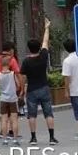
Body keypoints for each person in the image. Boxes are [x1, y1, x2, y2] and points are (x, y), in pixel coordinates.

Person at [20, 17, 58, 145]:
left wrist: (22, 90)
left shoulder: (26, 61)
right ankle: (51, 138)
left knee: (32, 115)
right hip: (44, 88)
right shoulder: (43, 56)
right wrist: (47, 27)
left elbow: (22, 77)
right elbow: (45, 41)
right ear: (38, 48)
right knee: (48, 113)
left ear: (29, 48)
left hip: (31, 90)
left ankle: (33, 138)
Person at [0, 41, 20, 138]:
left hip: (1, 90)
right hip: (11, 90)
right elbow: (17, 74)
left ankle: (2, 132)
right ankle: (11, 131)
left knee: (3, 115)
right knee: (12, 114)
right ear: (11, 50)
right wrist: (20, 89)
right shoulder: (11, 60)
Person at [0, 55, 23, 145]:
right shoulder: (13, 74)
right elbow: (18, 85)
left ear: (1, 64)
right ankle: (15, 139)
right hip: (12, 99)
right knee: (14, 120)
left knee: (4, 120)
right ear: (9, 64)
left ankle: (5, 140)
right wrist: (14, 89)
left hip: (3, 99)